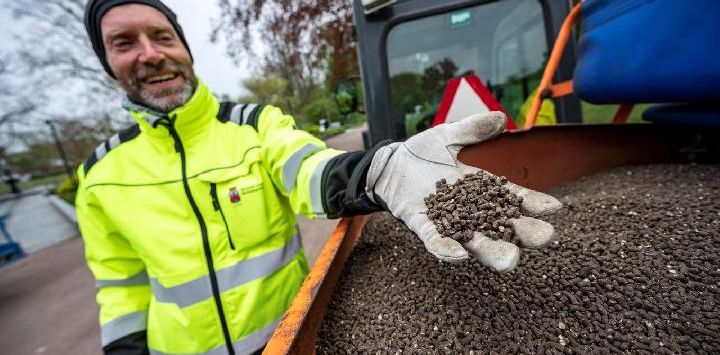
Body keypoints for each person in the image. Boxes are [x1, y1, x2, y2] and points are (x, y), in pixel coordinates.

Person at [78, 1, 562, 354]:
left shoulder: (252, 125)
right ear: (108, 63)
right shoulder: (99, 174)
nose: (149, 54)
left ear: (183, 46)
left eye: (162, 37)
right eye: (124, 43)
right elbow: (119, 284)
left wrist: (380, 169)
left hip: (291, 336)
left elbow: (307, 168)